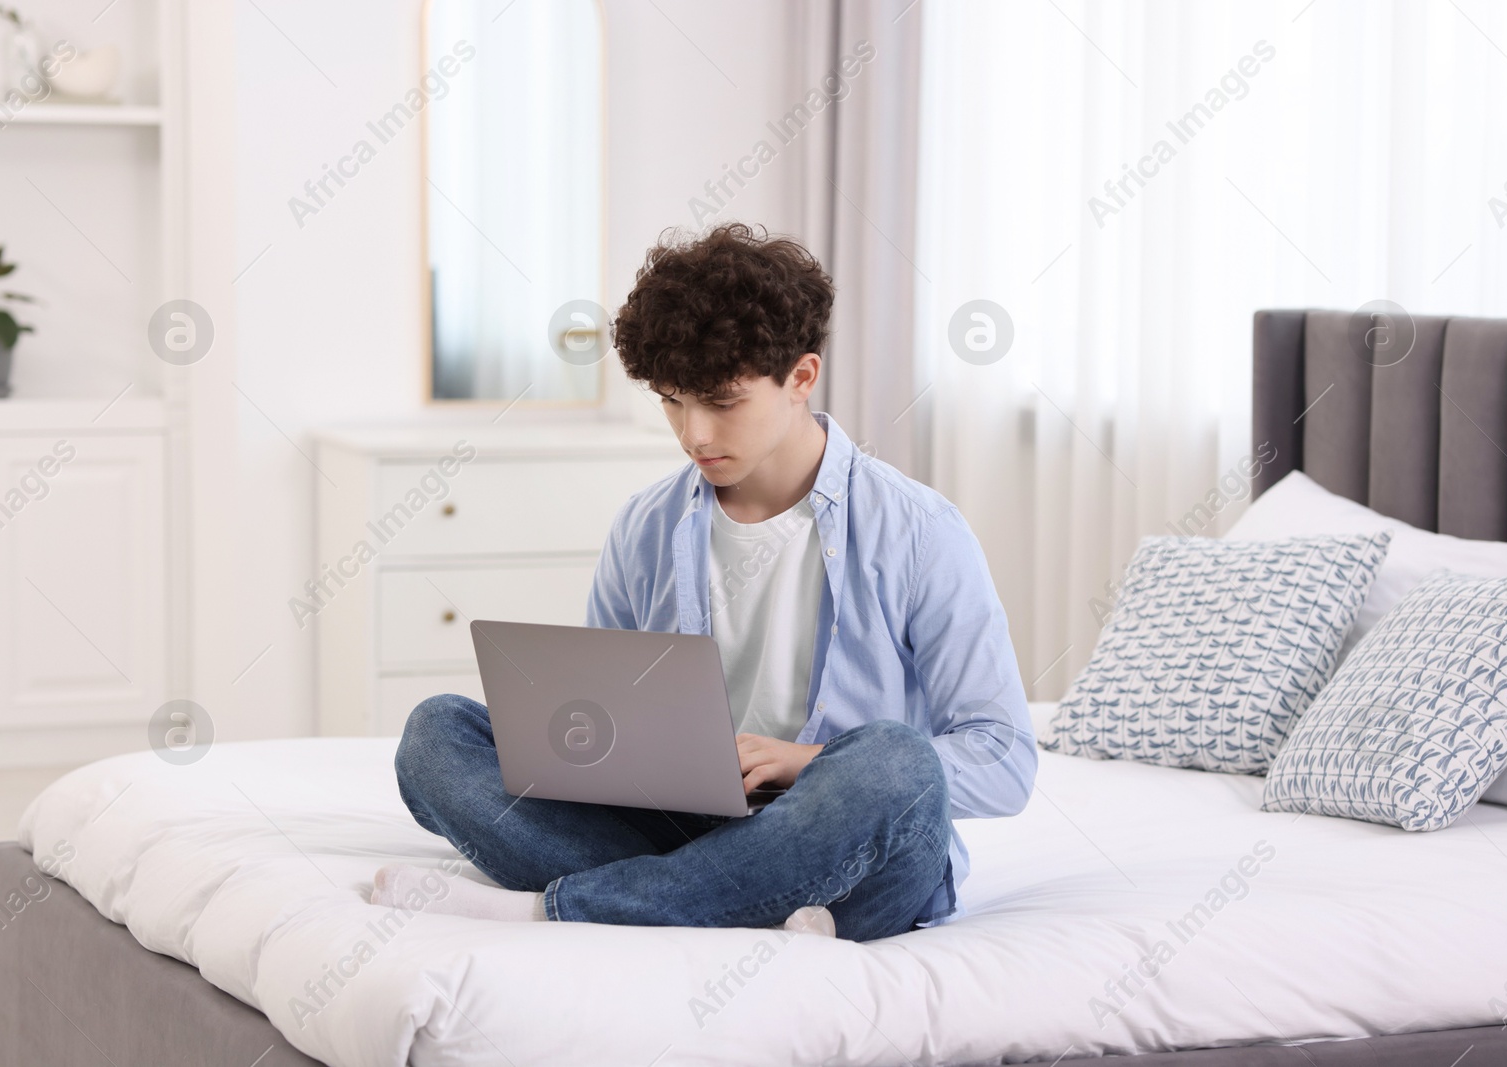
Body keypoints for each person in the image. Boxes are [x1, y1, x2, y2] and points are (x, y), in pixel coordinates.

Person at [375, 221, 1035, 942]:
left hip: (848, 846)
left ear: (801, 378)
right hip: (682, 828)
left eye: (722, 402)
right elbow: (600, 725)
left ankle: (562, 907)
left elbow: (1004, 757)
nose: (694, 434)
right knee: (436, 735)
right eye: (672, 400)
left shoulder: (918, 529)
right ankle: (732, 901)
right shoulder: (645, 526)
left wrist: (806, 763)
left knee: (896, 766)